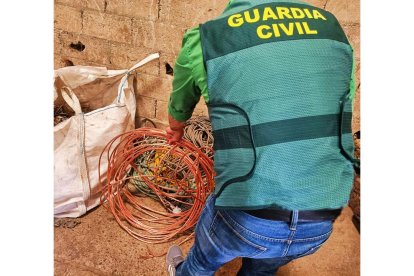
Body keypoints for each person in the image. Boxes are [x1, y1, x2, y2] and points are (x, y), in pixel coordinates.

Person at [165, 0, 358, 275]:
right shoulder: (330, 28)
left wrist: (175, 129)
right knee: (262, 270)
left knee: (201, 263)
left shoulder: (206, 38)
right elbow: (342, 100)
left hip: (246, 215)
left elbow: (179, 109)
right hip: (321, 218)